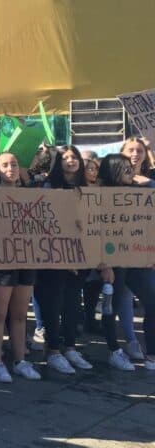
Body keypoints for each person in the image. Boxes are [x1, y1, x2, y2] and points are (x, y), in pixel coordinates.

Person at [0, 153, 42, 383]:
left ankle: (19, 361)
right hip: (0, 261)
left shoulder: (31, 195)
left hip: (26, 259)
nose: (11, 168)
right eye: (5, 165)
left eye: (14, 164)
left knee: (19, 314)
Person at [34, 146, 93, 374]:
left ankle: (70, 347)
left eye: (74, 157)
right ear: (58, 163)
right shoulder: (49, 187)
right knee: (53, 303)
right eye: (65, 158)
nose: (70, 161)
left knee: (72, 303)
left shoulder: (86, 189)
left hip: (81, 257)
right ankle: (54, 351)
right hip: (55, 259)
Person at [97, 154, 155, 371]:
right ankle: (114, 350)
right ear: (112, 171)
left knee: (152, 302)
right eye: (124, 169)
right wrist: (105, 264)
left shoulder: (139, 192)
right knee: (109, 307)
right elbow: (96, 232)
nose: (130, 171)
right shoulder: (99, 197)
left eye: (131, 168)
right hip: (112, 262)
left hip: (138, 259)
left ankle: (151, 354)